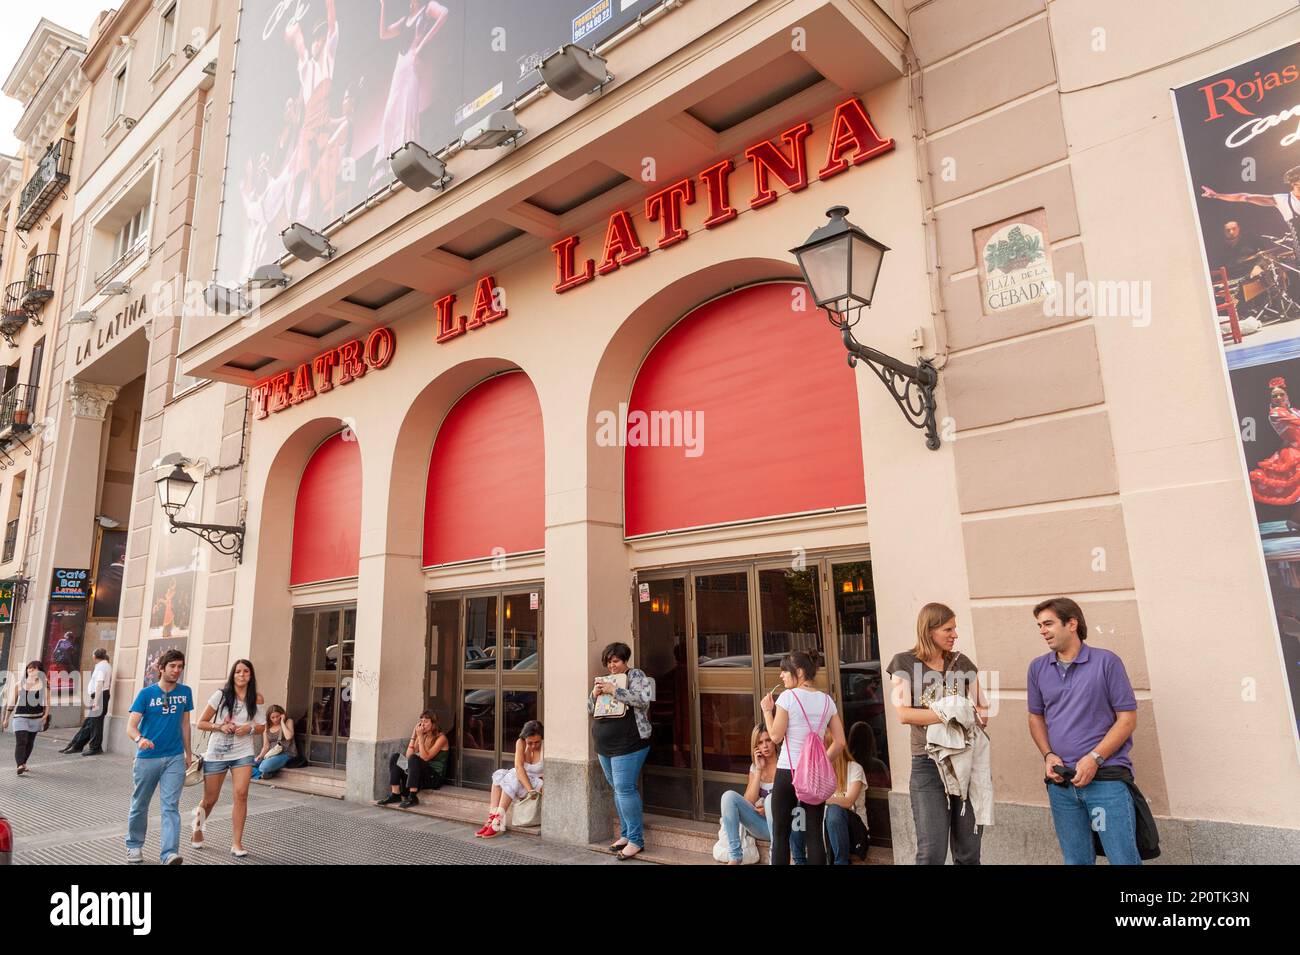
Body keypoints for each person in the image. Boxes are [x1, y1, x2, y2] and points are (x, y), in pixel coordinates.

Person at [1028, 597, 1141, 865]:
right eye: (1039, 625)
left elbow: (1127, 719)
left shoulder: (1106, 662)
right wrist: (1048, 755)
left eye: (1048, 623)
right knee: (1076, 861)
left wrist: (1094, 758)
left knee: (1123, 860)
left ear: (1072, 623)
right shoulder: (1038, 667)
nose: (1042, 630)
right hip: (1061, 785)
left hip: (1106, 782)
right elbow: (1035, 718)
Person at [887, 603, 986, 865]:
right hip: (927, 764)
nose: (955, 635)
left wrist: (969, 712)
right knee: (932, 852)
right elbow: (904, 714)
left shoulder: (962, 663)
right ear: (929, 630)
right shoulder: (904, 663)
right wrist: (950, 713)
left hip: (964, 762)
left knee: (968, 852)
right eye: (948, 629)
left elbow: (983, 710)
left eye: (955, 629)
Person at [761, 649, 847, 866]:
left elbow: (775, 736)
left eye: (784, 671)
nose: (781, 676)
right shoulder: (827, 700)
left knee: (780, 835)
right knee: (814, 835)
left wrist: (766, 711)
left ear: (798, 671)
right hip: (813, 777)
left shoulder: (788, 697)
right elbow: (841, 742)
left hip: (787, 772)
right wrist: (820, 762)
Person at [125, 648, 193, 864]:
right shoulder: (146, 694)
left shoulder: (185, 692)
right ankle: (134, 846)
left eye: (180, 667)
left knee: (171, 806)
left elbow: (185, 724)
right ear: (161, 668)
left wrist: (188, 753)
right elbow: (131, 726)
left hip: (174, 758)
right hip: (147, 758)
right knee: (140, 804)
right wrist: (140, 740)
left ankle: (169, 854)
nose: (176, 670)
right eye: (172, 666)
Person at [371, 0, 449, 187]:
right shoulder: (405, 19)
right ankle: (387, 163)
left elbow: (444, 13)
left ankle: (407, 159)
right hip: (400, 67)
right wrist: (383, 6)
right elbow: (383, 34)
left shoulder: (427, 8)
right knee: (391, 112)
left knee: (407, 109)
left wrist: (422, 45)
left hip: (411, 65)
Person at [192, 659, 264, 858]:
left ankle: (237, 843)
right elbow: (201, 723)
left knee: (241, 795)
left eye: (246, 671)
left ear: (251, 675)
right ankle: (197, 828)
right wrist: (220, 727)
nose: (242, 675)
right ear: (233, 675)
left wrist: (249, 728)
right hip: (218, 752)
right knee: (210, 799)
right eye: (238, 672)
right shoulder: (221, 696)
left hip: (243, 752)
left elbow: (261, 727)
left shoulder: (256, 698)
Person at [588, 641, 652, 860]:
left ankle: (636, 840)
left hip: (630, 743)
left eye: (615, 661)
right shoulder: (604, 680)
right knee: (618, 789)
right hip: (604, 745)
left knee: (625, 789)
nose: (612, 666)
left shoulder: (636, 676)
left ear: (625, 660)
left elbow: (643, 701)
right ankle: (625, 835)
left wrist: (616, 691)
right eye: (608, 662)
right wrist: (594, 695)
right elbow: (590, 709)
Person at [717, 724, 806, 864]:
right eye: (760, 742)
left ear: (775, 741)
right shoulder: (755, 767)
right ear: (755, 746)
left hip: (787, 825)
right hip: (762, 826)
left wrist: (773, 809)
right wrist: (758, 770)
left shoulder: (786, 763)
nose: (765, 745)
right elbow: (749, 801)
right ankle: (735, 856)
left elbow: (799, 799)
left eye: (768, 740)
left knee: (771, 800)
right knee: (728, 796)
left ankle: (775, 852)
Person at [476, 720, 543, 838]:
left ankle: (497, 821)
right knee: (499, 775)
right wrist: (529, 789)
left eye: (537, 742)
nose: (533, 746)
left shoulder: (547, 746)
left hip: (538, 783)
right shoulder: (520, 743)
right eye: (530, 742)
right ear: (524, 738)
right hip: (524, 782)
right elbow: (518, 767)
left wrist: (532, 791)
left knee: (512, 776)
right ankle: (492, 819)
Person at [378, 710, 449, 808]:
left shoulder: (441, 738)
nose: (422, 724)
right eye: (421, 721)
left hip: (434, 777)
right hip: (420, 774)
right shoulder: (422, 736)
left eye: (426, 722)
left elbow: (425, 757)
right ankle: (395, 794)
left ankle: (413, 796)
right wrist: (414, 735)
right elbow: (408, 756)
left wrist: (419, 737)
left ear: (433, 724)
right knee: (396, 757)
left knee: (415, 759)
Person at [822, 729, 869, 865]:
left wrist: (820, 799)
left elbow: (848, 802)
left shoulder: (855, 769)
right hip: (828, 836)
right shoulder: (821, 773)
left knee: (834, 811)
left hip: (856, 835)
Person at [62, 648, 112, 756]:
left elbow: (99, 683)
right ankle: (77, 745)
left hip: (99, 696)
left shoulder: (101, 667)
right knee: (90, 723)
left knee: (96, 724)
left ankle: (95, 748)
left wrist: (96, 701)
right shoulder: (105, 665)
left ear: (94, 656)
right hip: (101, 695)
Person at [2, 661, 49, 775]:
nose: (30, 670)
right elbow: (12, 702)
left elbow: (47, 702)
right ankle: (19, 765)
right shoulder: (19, 684)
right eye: (29, 668)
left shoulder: (44, 684)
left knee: (30, 742)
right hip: (20, 717)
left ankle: (23, 763)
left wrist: (46, 715)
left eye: (33, 669)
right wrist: (6, 718)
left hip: (36, 718)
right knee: (21, 741)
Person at [252, 704, 297, 779]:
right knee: (246, 766)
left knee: (264, 767)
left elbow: (288, 737)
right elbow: (266, 746)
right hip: (270, 754)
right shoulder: (267, 726)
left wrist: (282, 722)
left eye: (277, 716)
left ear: (282, 715)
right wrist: (260, 756)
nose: (275, 719)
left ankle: (264, 771)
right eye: (273, 717)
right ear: (269, 718)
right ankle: (263, 774)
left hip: (286, 754)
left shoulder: (288, 721)